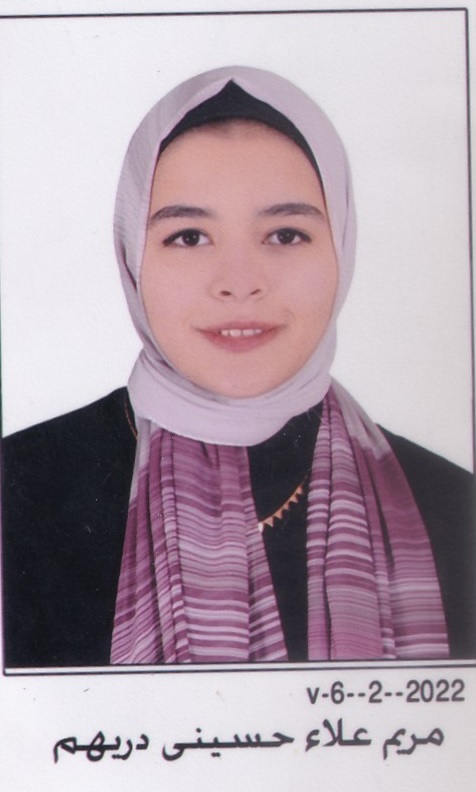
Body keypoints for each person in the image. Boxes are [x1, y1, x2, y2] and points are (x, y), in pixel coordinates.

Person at [2, 66, 474, 668]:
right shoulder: (17, 493)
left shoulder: (456, 509)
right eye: (189, 237)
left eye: (285, 235)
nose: (239, 283)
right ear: (131, 256)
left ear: (342, 246)